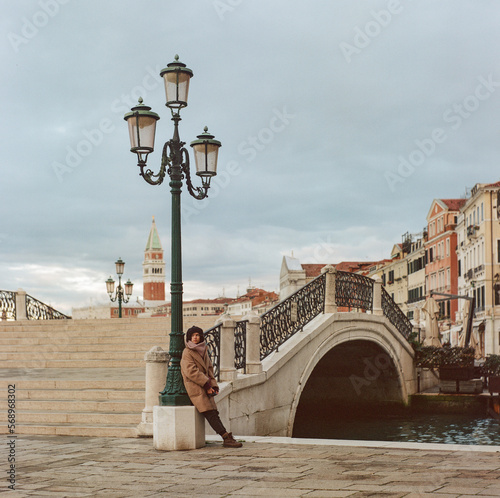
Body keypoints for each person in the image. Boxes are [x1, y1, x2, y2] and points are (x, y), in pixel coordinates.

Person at [180, 325, 242, 448]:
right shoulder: (187, 352)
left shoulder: (203, 349)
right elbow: (191, 371)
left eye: (197, 335)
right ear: (189, 338)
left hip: (204, 386)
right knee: (210, 413)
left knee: (214, 412)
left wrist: (214, 385)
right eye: (192, 336)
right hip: (196, 386)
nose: (195, 338)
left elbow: (209, 369)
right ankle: (225, 437)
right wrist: (207, 385)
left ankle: (226, 437)